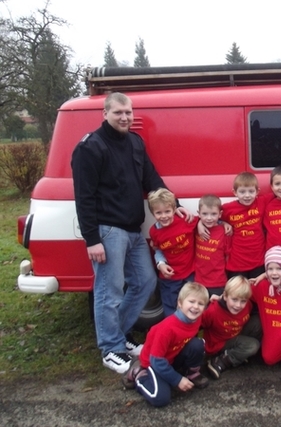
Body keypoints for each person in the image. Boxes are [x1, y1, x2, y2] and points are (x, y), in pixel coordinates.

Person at [71, 92, 188, 374]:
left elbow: (152, 178)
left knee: (146, 282)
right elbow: (83, 197)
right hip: (108, 230)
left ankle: (118, 336)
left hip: (134, 230)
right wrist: (92, 239)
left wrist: (177, 204)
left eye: (128, 112)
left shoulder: (135, 142)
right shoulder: (90, 148)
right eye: (118, 113)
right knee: (108, 291)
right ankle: (110, 350)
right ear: (105, 113)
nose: (124, 117)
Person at [122, 282, 210, 407]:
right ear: (180, 303)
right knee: (160, 399)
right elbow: (156, 361)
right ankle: (138, 375)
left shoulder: (196, 319)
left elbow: (215, 312)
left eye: (200, 304)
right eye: (191, 302)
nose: (195, 307)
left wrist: (222, 299)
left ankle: (192, 374)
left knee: (197, 344)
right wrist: (177, 380)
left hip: (171, 358)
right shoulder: (167, 329)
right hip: (152, 363)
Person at [148, 188, 198, 317]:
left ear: (174, 209)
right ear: (153, 213)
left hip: (190, 273)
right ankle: (173, 332)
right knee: (170, 308)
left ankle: (190, 331)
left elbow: (205, 220)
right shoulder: (154, 232)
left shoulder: (186, 220)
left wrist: (204, 225)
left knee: (192, 305)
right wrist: (160, 264)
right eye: (158, 213)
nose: (163, 216)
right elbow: (158, 250)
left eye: (167, 211)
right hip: (170, 277)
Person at [202, 275, 261, 379]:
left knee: (258, 322)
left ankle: (238, 353)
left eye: (243, 301)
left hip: (235, 334)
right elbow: (198, 325)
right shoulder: (213, 311)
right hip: (219, 344)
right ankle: (218, 361)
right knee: (253, 345)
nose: (238, 305)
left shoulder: (248, 305)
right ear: (225, 296)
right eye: (234, 299)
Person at [194, 194, 231, 297]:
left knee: (216, 310)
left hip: (218, 281)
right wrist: (199, 223)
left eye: (213, 214)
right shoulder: (195, 229)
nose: (209, 218)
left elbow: (227, 255)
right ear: (199, 214)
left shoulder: (224, 232)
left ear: (220, 214)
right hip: (199, 280)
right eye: (204, 214)